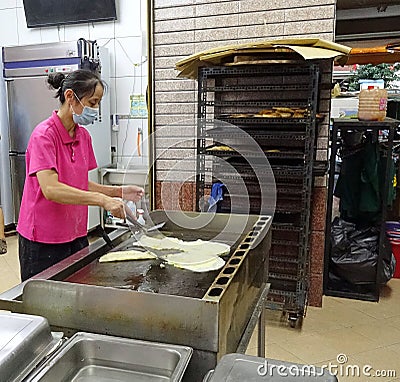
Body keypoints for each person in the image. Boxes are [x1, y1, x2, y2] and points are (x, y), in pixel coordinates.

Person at [17, 69, 144, 281]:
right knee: (44, 303)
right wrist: (103, 201)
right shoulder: (44, 136)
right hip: (42, 241)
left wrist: (118, 192)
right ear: (70, 97)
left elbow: (79, 183)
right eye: (92, 103)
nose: (95, 109)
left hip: (75, 235)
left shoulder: (83, 136)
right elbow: (51, 189)